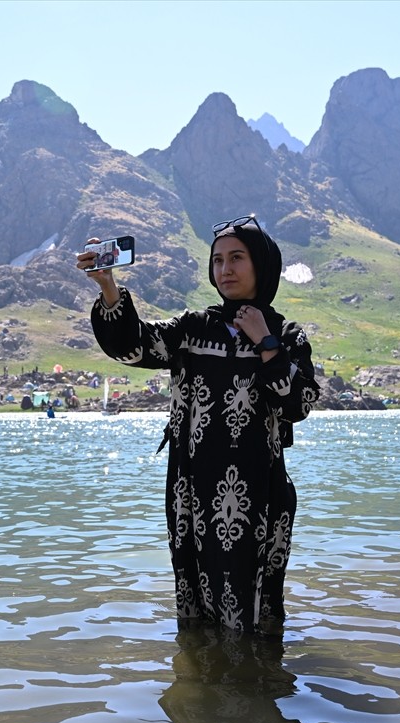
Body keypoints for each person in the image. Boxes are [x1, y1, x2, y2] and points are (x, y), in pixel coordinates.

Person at [77, 215, 318, 634]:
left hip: (260, 496)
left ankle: (259, 688)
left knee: (258, 617)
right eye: (218, 259)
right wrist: (108, 287)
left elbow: (298, 403)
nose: (225, 269)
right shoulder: (192, 330)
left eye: (237, 258)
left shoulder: (287, 335)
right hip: (193, 495)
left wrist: (265, 342)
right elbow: (131, 346)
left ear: (262, 264)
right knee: (196, 617)